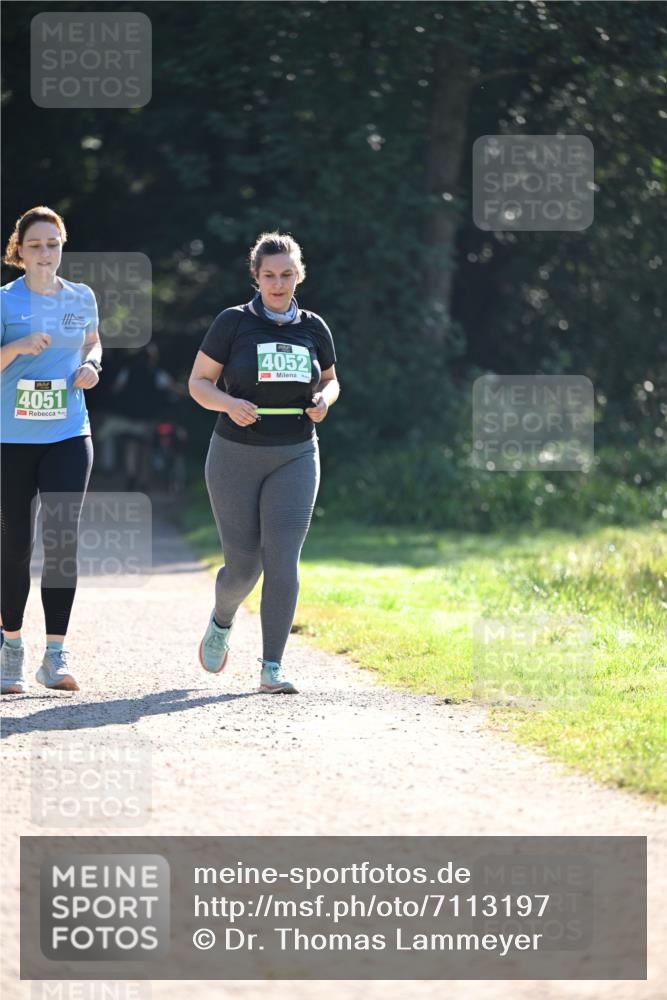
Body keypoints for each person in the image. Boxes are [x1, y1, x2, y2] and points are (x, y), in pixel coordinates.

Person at [189, 232, 340, 693]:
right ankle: (222, 618)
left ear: (299, 276)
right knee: (242, 568)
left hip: (296, 452)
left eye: (287, 275)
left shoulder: (314, 327)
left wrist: (323, 401)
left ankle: (271, 667)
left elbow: (332, 381)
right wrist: (226, 404)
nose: (279, 284)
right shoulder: (232, 323)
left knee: (283, 560)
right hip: (235, 454)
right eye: (270, 275)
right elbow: (198, 383)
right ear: (255, 277)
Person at [0, 206, 101, 694]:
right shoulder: (3, 301)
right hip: (9, 439)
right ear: (19, 251)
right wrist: (16, 348)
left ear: (63, 246)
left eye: (53, 243)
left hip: (67, 432)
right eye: (35, 244)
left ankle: (55, 656)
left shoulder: (81, 297)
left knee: (61, 544)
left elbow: (93, 343)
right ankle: (11, 647)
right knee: (14, 544)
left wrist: (92, 366)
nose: (45, 252)